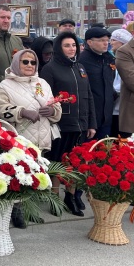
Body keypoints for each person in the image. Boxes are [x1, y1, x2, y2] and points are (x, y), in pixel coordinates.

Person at [40, 32, 96, 217]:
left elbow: (88, 96)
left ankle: (70, 197)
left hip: (80, 124)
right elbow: (45, 98)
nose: (72, 48)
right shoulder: (50, 68)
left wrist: (91, 123)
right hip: (61, 123)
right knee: (57, 162)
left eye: (74, 45)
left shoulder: (80, 67)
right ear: (59, 48)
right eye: (67, 45)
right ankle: (54, 197)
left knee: (75, 163)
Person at [0, 49, 62, 184]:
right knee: (21, 178)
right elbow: (1, 109)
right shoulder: (5, 85)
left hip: (42, 139)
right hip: (19, 140)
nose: (30, 65)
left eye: (33, 62)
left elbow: (56, 105)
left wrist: (52, 111)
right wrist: (22, 112)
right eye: (25, 61)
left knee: (38, 177)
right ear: (16, 63)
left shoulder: (42, 83)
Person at [79, 27, 115, 139]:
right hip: (90, 115)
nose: (106, 43)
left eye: (107, 40)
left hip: (107, 116)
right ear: (90, 42)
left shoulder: (109, 58)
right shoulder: (82, 60)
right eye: (101, 40)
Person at [110, 28, 132, 136]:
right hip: (112, 108)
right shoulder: (111, 58)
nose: (111, 42)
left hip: (123, 108)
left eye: (114, 40)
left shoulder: (128, 59)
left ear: (122, 43)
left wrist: (115, 91)